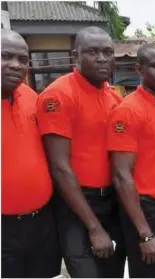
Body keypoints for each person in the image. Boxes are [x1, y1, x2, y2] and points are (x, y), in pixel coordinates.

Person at [37, 26, 126, 277]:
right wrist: (94, 227)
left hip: (111, 200)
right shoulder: (59, 95)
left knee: (112, 272)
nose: (101, 58)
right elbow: (59, 167)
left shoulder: (112, 96)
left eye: (107, 52)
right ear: (76, 55)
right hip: (76, 205)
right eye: (92, 52)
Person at [108, 44, 155, 278]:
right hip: (146, 212)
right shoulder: (129, 111)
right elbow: (121, 175)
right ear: (139, 69)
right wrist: (144, 233)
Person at [1, 30, 61, 278]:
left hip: (42, 223)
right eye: (5, 56)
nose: (16, 65)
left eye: (23, 59)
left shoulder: (32, 98)